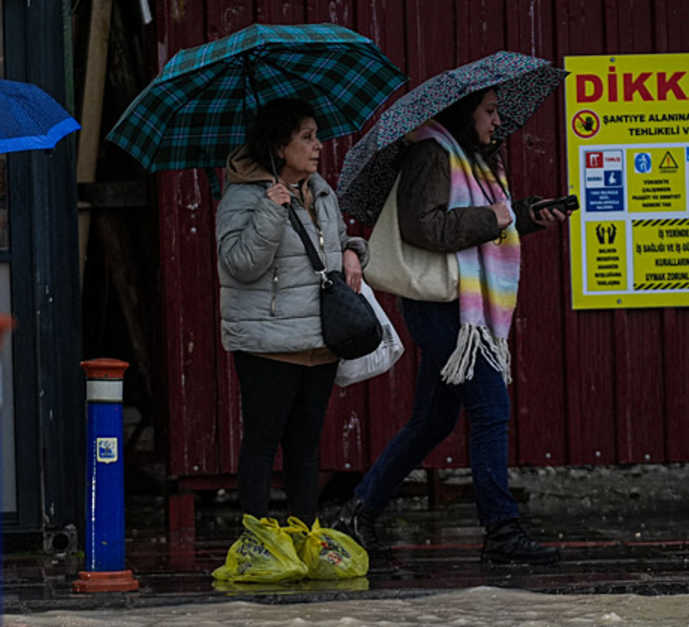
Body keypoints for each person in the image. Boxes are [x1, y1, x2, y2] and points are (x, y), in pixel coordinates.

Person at [331, 87, 572, 565]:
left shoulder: (474, 161)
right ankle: (502, 531)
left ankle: (357, 513)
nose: (497, 120)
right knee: (490, 409)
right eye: (489, 111)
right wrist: (501, 215)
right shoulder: (432, 154)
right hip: (442, 306)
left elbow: (485, 226)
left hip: (460, 305)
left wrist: (526, 215)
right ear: (465, 113)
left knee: (433, 420)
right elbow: (428, 228)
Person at [216, 98, 368, 526]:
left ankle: (304, 532)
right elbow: (240, 264)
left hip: (319, 341)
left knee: (306, 447)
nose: (318, 145)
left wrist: (353, 252)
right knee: (263, 443)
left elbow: (334, 242)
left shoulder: (320, 190)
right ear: (280, 147)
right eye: (307, 137)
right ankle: (257, 537)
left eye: (316, 135)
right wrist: (270, 208)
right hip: (268, 344)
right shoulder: (242, 198)